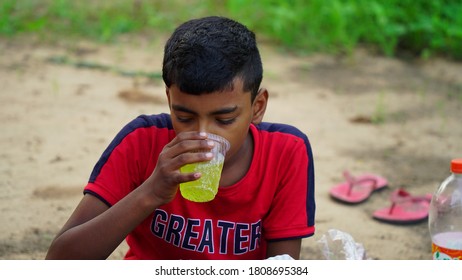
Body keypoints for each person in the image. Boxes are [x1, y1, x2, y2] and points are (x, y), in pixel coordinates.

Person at [46, 16, 315, 260]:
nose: (203, 135)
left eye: (224, 120)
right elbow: (59, 262)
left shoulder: (285, 152)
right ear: (169, 100)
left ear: (257, 107)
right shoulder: (143, 141)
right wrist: (150, 192)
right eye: (184, 117)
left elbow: (283, 268)